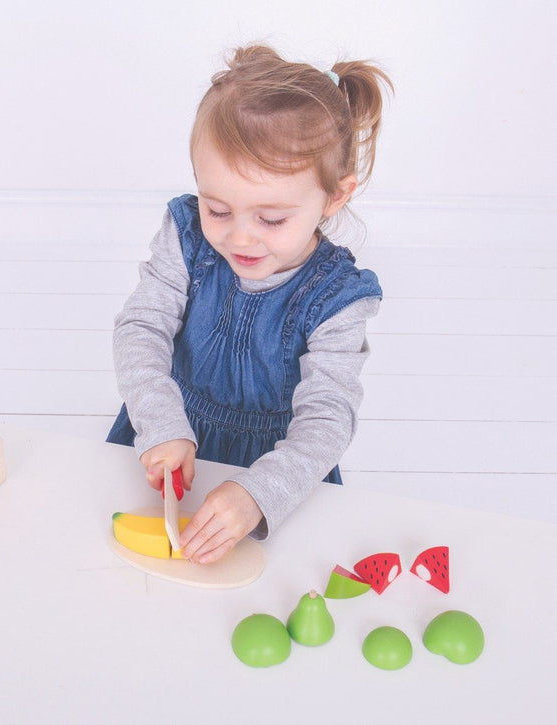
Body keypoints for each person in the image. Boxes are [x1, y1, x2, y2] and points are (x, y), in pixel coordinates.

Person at [107, 44, 393, 564]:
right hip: (170, 435)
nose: (241, 238)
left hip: (276, 469)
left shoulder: (338, 298)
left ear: (335, 197)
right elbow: (141, 327)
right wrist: (159, 420)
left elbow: (328, 418)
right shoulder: (187, 235)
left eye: (272, 219)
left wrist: (259, 495)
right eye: (218, 209)